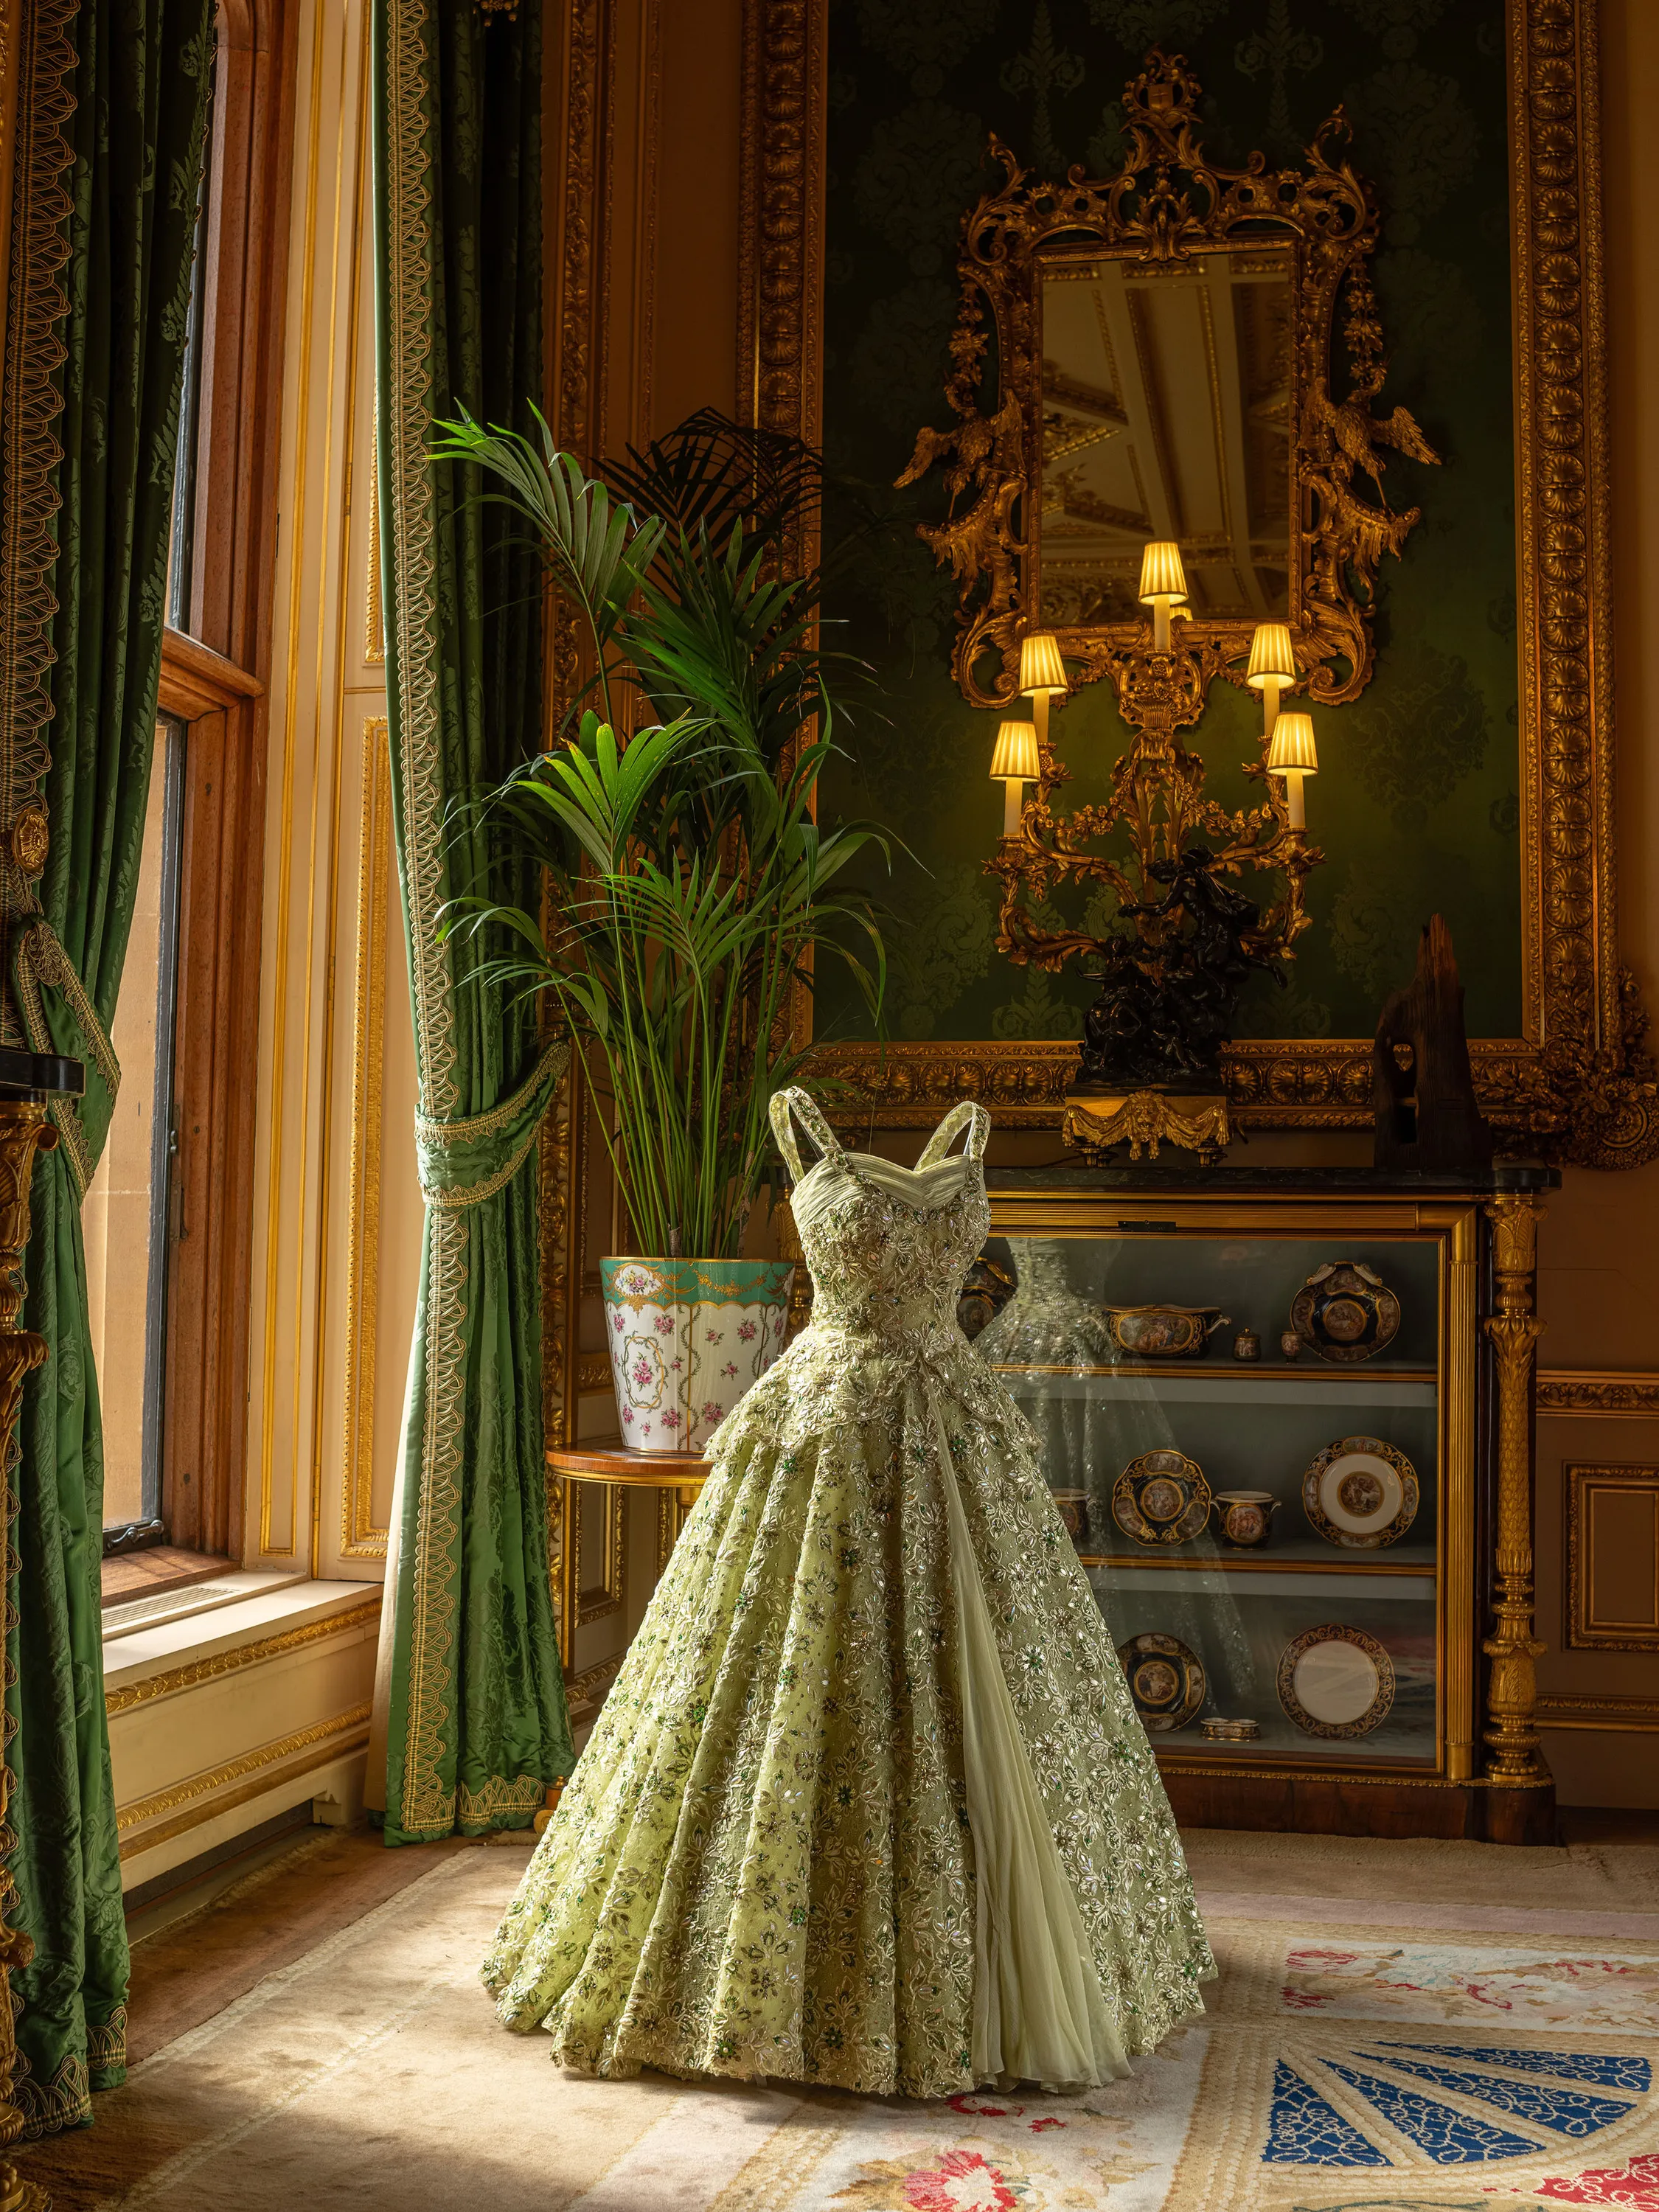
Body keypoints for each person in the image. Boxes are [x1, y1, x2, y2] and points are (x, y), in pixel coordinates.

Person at [481, 1089, 1213, 2097]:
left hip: (955, 1423)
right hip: (826, 1423)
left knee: (997, 1689)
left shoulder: (966, 1133)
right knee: (789, 1680)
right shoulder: (795, 1130)